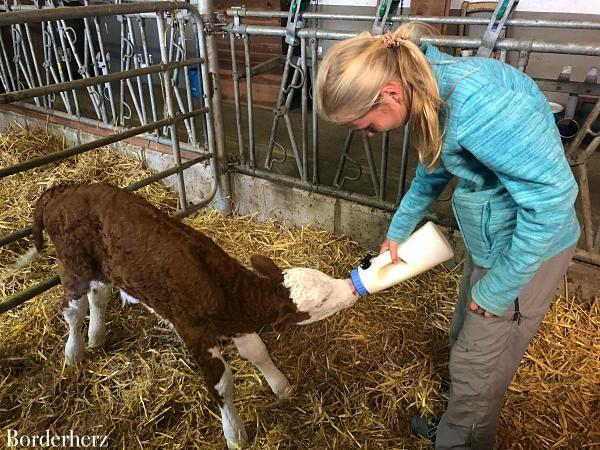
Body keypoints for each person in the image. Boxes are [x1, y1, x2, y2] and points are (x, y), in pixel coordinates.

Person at [315, 23, 580, 449]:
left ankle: (464, 438)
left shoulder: (480, 108)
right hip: (493, 237)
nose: (367, 135)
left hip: (527, 248)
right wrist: (397, 232)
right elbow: (432, 167)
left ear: (389, 93)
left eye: (364, 126)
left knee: (481, 361)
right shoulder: (430, 89)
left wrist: (500, 288)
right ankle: (461, 423)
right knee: (466, 336)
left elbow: (553, 202)